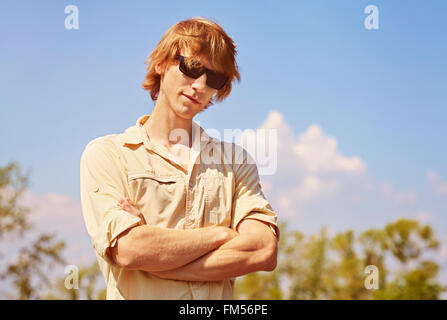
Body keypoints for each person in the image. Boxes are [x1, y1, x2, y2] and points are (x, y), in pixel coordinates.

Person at [80, 17, 279, 300]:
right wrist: (221, 235)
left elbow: (262, 250)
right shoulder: (109, 155)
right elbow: (130, 249)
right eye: (192, 67)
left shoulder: (235, 162)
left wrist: (159, 263)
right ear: (161, 63)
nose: (199, 85)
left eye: (215, 78)